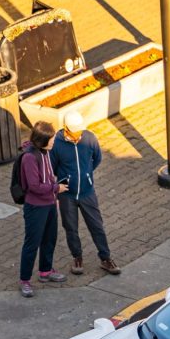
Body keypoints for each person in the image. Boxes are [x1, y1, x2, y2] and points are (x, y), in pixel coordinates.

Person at [49, 111, 121, 276]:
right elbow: (52, 167)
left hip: (87, 192)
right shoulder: (56, 144)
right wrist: (65, 181)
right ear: (66, 129)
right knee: (71, 228)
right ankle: (77, 257)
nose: (78, 135)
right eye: (74, 132)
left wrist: (86, 175)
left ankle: (106, 258)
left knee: (97, 226)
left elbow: (97, 158)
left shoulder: (89, 138)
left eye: (79, 131)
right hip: (67, 195)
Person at [18, 121, 67, 298]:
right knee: (32, 243)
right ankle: (25, 280)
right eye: (51, 139)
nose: (54, 142)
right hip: (36, 207)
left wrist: (54, 192)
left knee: (50, 238)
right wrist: (56, 189)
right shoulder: (30, 158)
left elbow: (47, 176)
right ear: (42, 140)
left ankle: (46, 271)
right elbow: (34, 186)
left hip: (49, 203)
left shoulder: (45, 152)